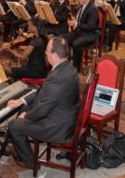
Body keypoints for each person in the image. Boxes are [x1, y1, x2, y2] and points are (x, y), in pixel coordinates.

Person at [7, 37, 80, 168]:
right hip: (64, 116)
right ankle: (17, 145)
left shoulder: (58, 77)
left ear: (55, 55)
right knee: (24, 107)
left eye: (47, 51)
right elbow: (42, 91)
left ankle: (30, 161)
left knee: (14, 125)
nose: (45, 53)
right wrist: (21, 100)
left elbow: (43, 109)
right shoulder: (67, 67)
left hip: (58, 127)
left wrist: (27, 116)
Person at [63, 0, 99, 71]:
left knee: (76, 43)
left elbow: (90, 27)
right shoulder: (80, 6)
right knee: (63, 39)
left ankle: (76, 68)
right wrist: (72, 23)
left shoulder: (93, 9)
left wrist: (76, 23)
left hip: (89, 34)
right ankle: (66, 64)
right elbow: (77, 21)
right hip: (79, 32)